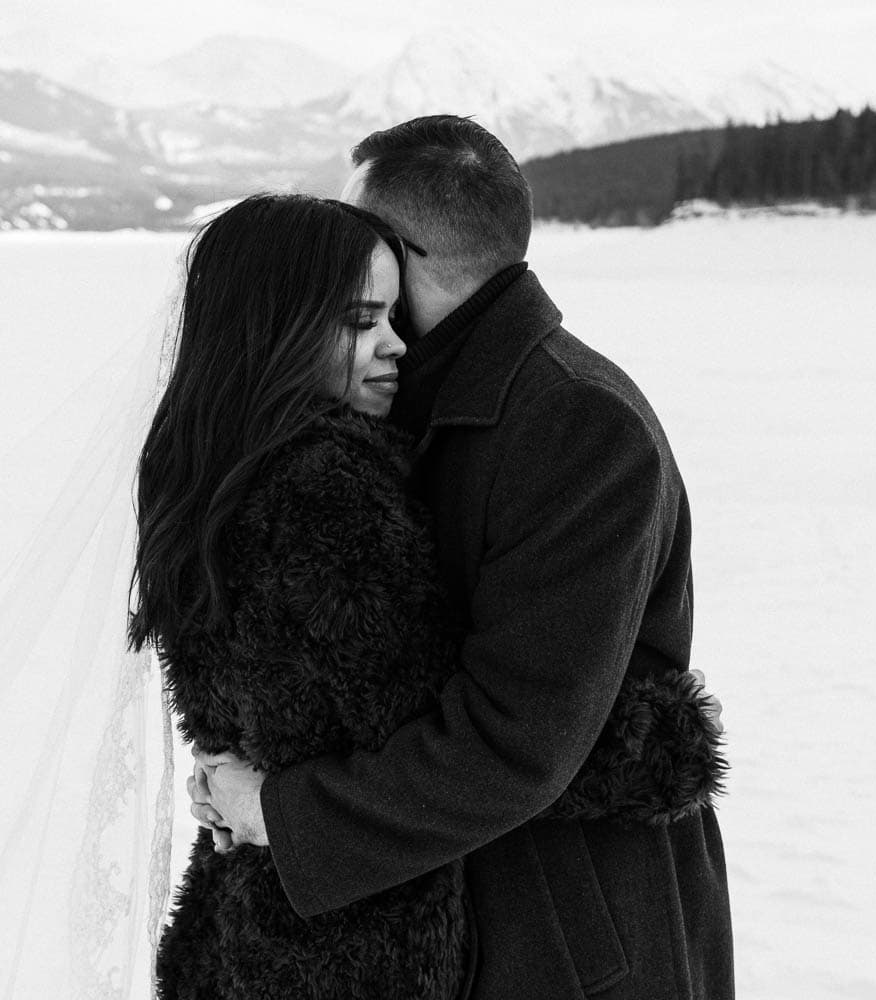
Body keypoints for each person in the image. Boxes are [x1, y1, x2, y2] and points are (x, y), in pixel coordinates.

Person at [195, 115, 734, 999]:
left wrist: (282, 813)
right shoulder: (389, 396)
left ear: (404, 251)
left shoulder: (579, 425)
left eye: (356, 231)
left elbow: (519, 737)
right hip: (440, 903)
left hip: (573, 928)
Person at [130, 193, 473, 999]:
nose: (396, 348)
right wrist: (648, 749)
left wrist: (247, 798)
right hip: (353, 947)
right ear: (278, 329)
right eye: (362, 322)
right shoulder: (331, 492)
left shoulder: (206, 473)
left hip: (241, 922)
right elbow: (452, 748)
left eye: (395, 318)